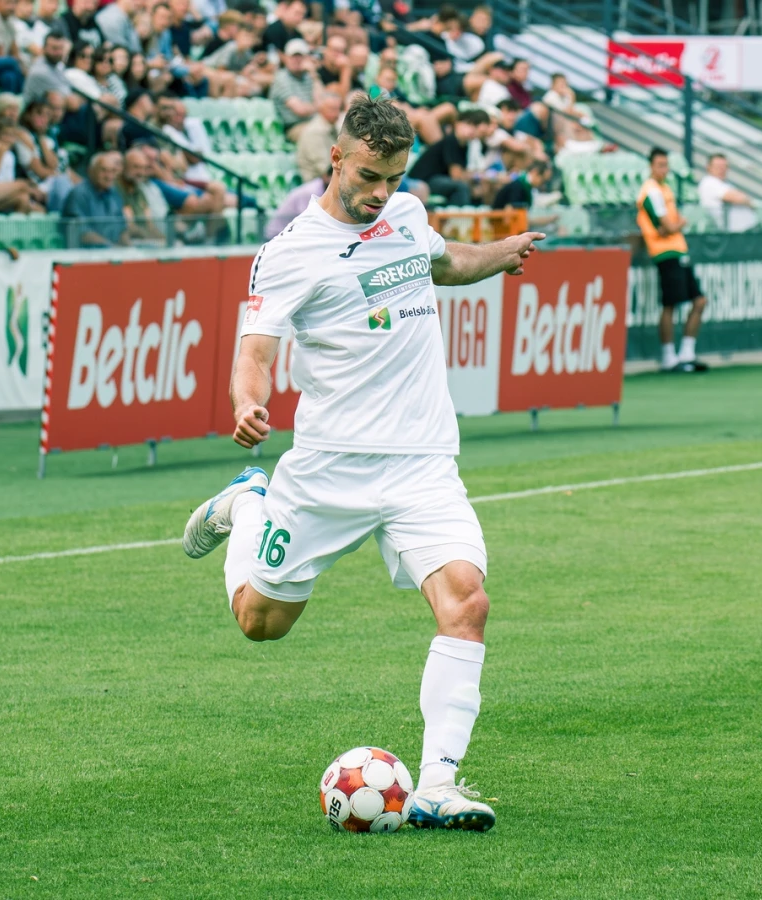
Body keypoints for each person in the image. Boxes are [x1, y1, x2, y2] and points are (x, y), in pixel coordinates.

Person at [181, 95, 544, 833]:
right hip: (329, 469)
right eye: (369, 176)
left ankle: (437, 785)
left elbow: (445, 263)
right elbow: (255, 353)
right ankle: (248, 505)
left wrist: (502, 254)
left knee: (467, 603)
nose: (382, 193)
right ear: (336, 158)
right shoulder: (290, 253)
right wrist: (248, 404)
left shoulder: (406, 215)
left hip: (421, 462)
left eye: (395, 177)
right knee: (260, 623)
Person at [638, 146, 708, 373]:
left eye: (666, 165)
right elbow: (668, 226)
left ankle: (687, 354)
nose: (664, 169)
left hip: (678, 250)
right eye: (660, 165)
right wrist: (679, 224)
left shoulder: (664, 188)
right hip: (664, 253)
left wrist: (673, 226)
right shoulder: (651, 191)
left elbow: (669, 226)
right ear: (651, 166)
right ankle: (669, 357)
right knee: (670, 304)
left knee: (699, 301)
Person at [407, 108, 488, 206]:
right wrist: (476, 177)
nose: (471, 129)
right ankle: (457, 215)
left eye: (474, 126)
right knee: (461, 187)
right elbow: (456, 175)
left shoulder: (465, 146)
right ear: (457, 124)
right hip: (424, 180)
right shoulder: (451, 141)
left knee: (477, 188)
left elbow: (462, 173)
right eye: (468, 124)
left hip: (437, 178)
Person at [61, 149, 127, 246]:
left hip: (113, 252)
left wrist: (129, 249)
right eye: (103, 170)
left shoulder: (114, 193)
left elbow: (122, 228)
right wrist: (112, 248)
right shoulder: (79, 194)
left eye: (113, 171)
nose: (109, 176)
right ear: (90, 171)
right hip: (85, 252)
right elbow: (82, 233)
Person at [269, 37, 317, 141]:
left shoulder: (309, 77)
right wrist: (318, 107)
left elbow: (323, 101)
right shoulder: (281, 78)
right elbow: (300, 110)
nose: (297, 60)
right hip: (292, 128)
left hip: (312, 123)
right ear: (286, 58)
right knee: (317, 133)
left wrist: (314, 75)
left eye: (300, 57)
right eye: (293, 57)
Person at [263, 163, 325, 238]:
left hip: (291, 234)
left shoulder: (321, 188)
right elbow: (309, 222)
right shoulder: (310, 191)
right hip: (277, 235)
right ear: (326, 176)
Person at [697, 152, 754, 232]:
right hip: (726, 233)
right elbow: (738, 198)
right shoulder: (709, 182)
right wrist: (747, 201)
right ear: (708, 167)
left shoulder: (725, 183)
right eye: (718, 166)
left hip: (743, 230)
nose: (722, 169)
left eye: (725, 166)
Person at [295, 89, 339, 183]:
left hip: (329, 179)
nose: (336, 113)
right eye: (332, 109)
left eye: (338, 109)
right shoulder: (314, 131)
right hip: (315, 183)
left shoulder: (333, 127)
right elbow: (325, 169)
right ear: (321, 109)